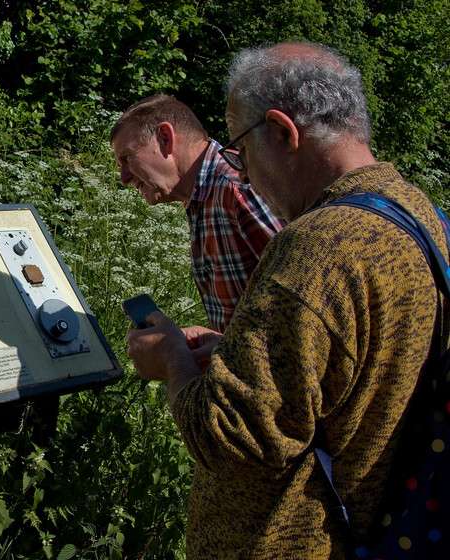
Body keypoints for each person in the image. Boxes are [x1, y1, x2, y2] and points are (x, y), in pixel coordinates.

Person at [125, 42, 450, 558]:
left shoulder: (318, 249)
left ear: (281, 131)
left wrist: (171, 359)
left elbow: (229, 436)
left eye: (243, 151)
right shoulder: (417, 212)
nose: (244, 172)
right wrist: (239, 347)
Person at [111, 95, 283, 332]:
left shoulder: (236, 190)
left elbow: (309, 299)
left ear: (165, 138)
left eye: (127, 159)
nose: (124, 178)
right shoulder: (201, 198)